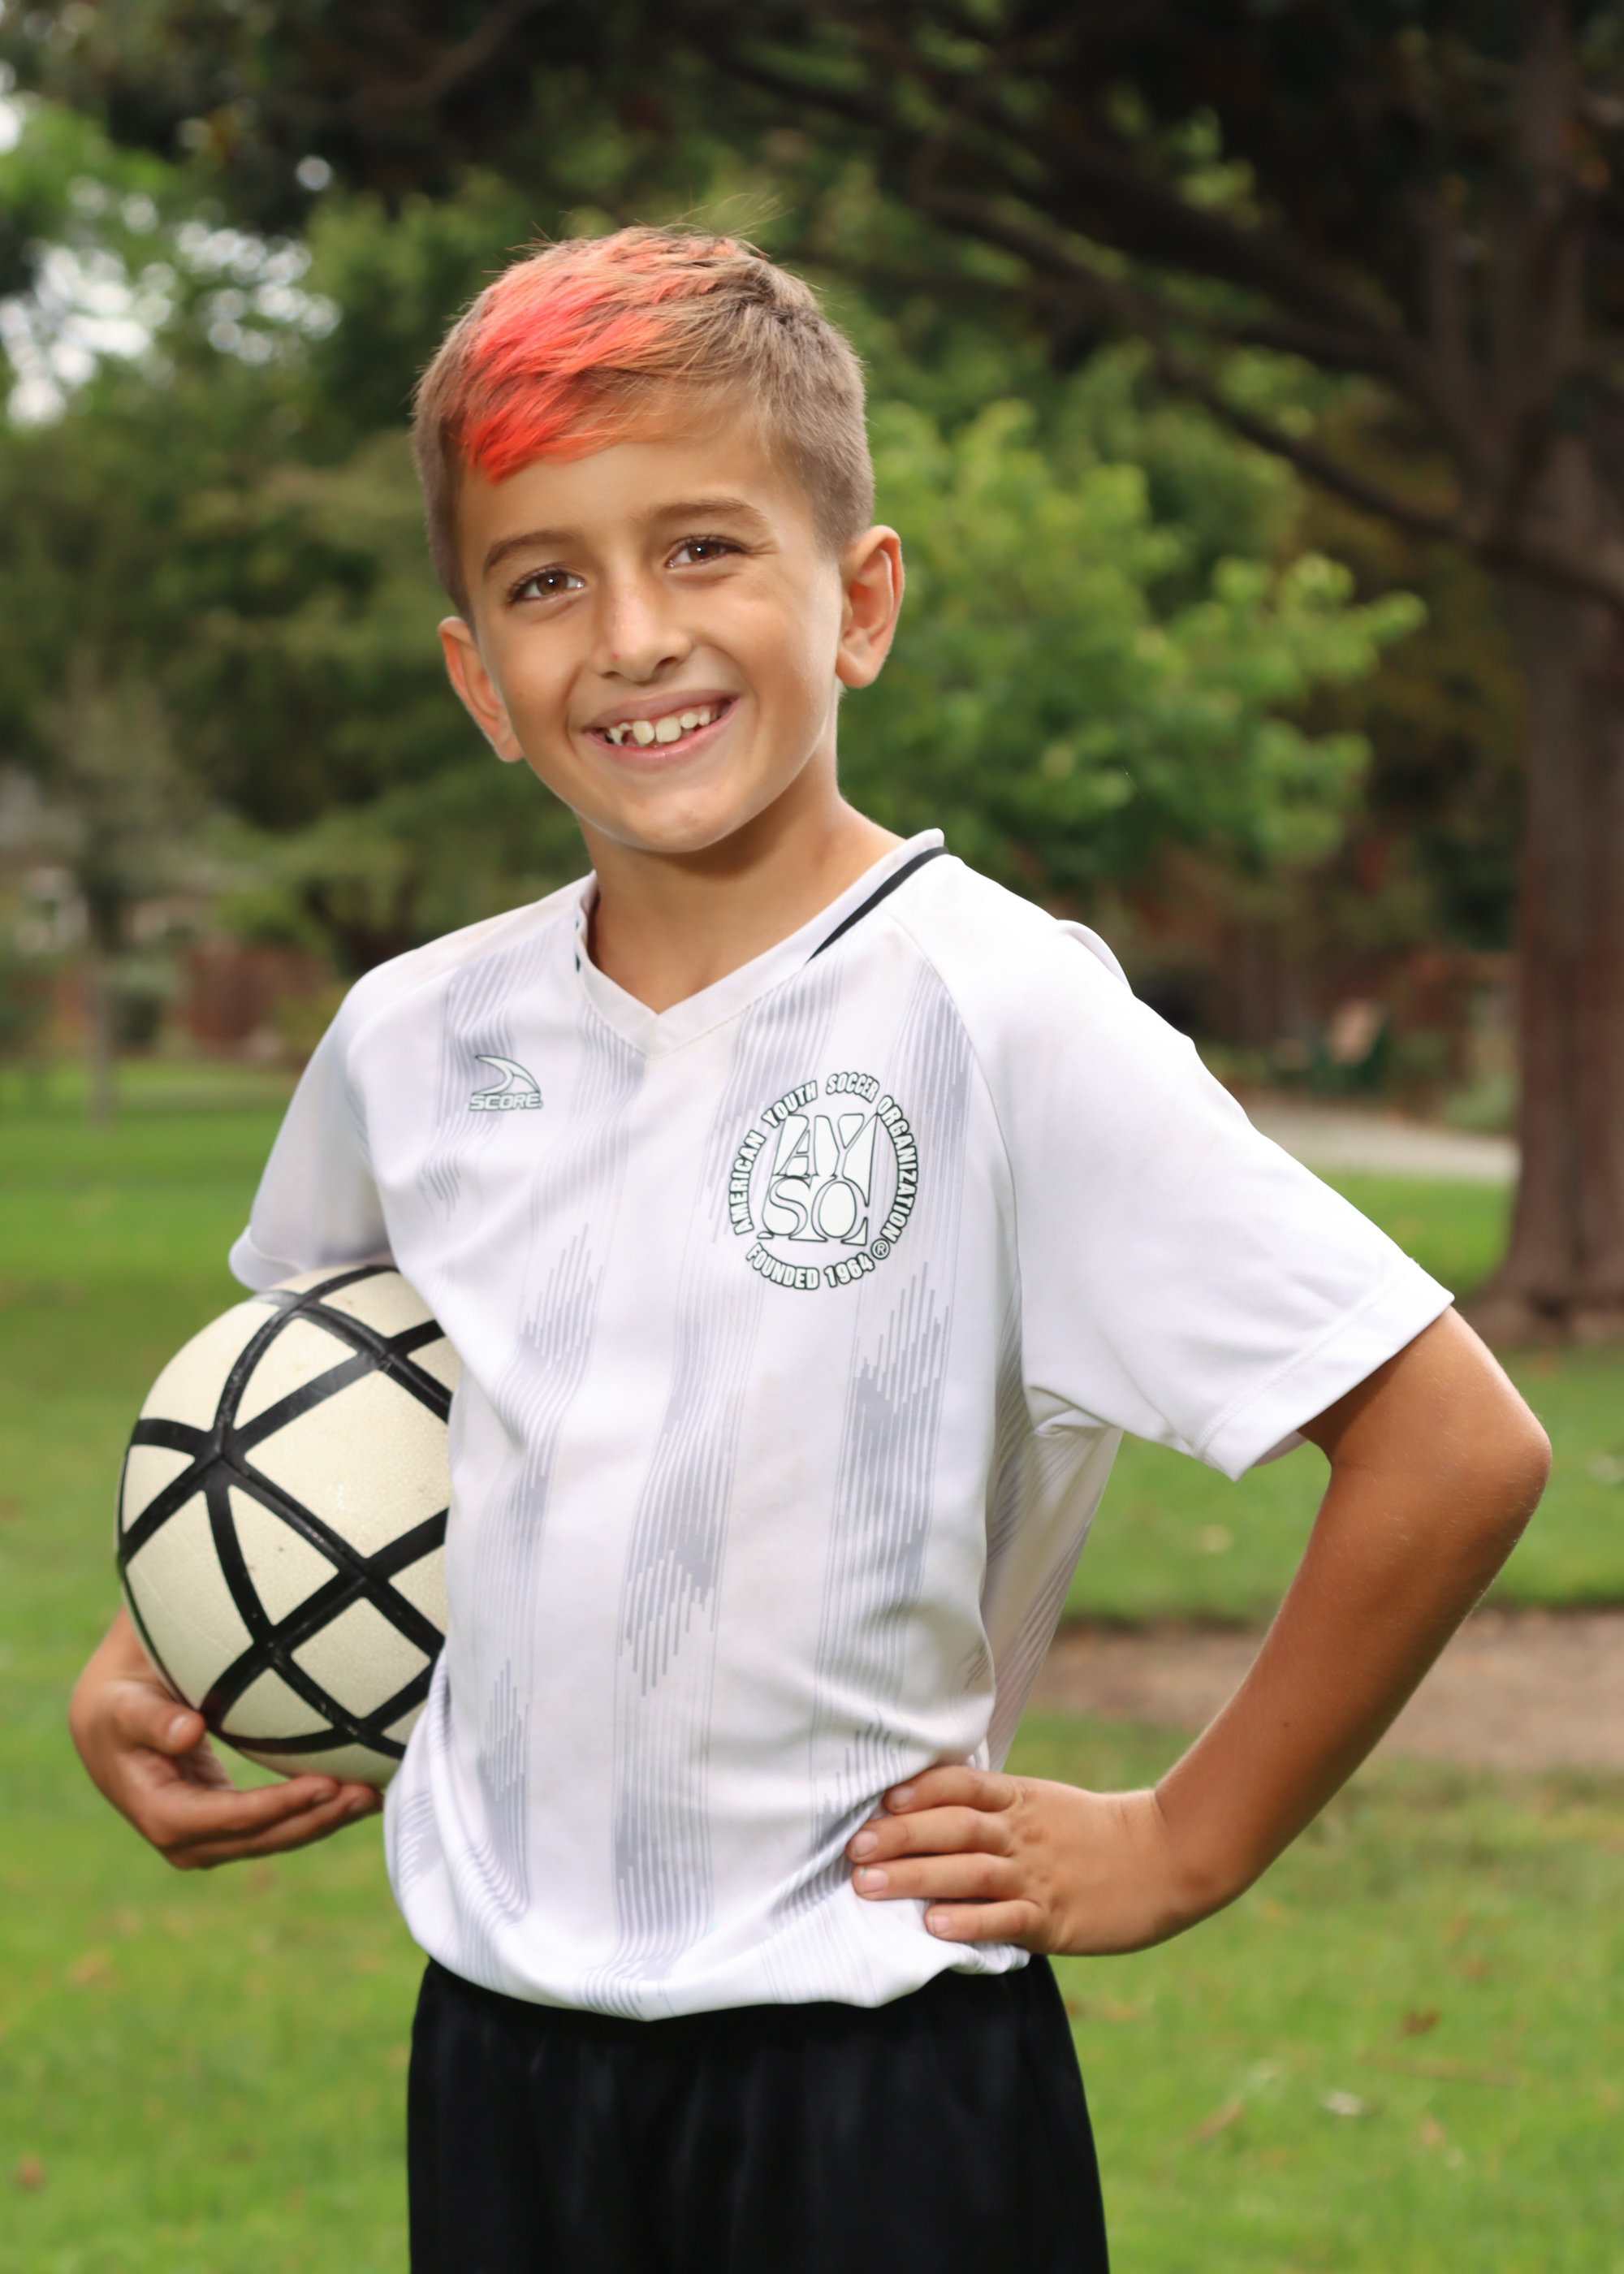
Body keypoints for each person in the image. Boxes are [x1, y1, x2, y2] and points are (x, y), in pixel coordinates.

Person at [69, 228, 1550, 2272]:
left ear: (857, 602)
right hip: (499, 2057)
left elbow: (1453, 1445)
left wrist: (1186, 1836)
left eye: (701, 547)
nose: (630, 636)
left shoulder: (1005, 1017)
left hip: (881, 2079)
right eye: (544, 580)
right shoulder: (412, 1040)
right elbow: (321, 1387)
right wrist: (167, 1631)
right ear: (478, 677)